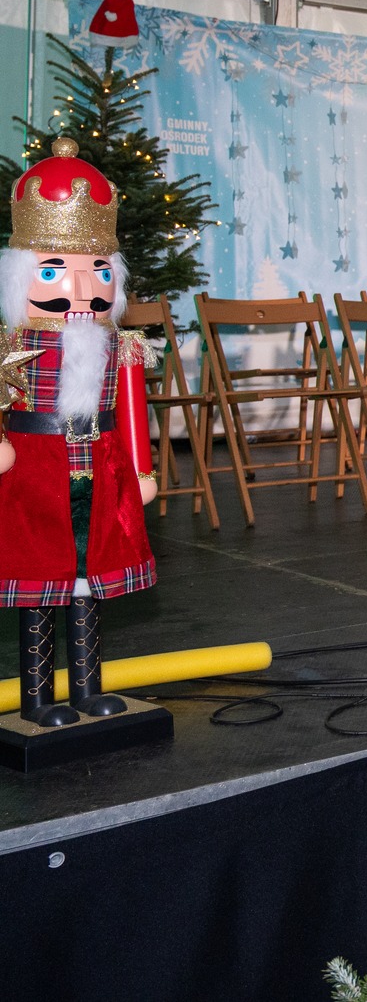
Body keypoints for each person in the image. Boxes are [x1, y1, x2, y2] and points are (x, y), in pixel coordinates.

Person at [0, 137, 159, 727]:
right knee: (41, 582)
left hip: (102, 469)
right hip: (33, 473)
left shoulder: (122, 345)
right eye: (53, 272)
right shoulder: (11, 344)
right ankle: (38, 700)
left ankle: (88, 690)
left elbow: (134, 410)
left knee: (88, 583)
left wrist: (141, 470)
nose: (81, 290)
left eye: (98, 271)